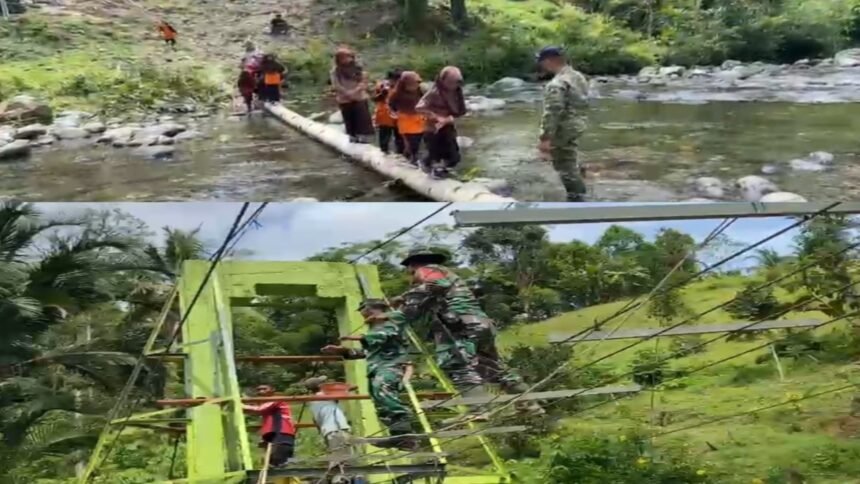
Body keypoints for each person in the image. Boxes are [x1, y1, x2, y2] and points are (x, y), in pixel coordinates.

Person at [398, 247, 544, 419]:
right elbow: (419, 309)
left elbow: (436, 285)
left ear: (412, 265)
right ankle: (530, 405)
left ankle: (478, 410)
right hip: (480, 324)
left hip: (460, 326)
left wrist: (407, 299)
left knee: (457, 364)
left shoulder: (427, 270)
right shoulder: (450, 276)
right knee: (492, 367)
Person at [321, 299, 420, 450]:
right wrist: (344, 351)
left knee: (385, 392)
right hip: (377, 368)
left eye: (364, 311)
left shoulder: (391, 322)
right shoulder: (374, 329)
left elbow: (383, 336)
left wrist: (355, 338)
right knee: (379, 399)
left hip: (391, 366)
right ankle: (397, 436)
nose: (363, 315)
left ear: (371, 310)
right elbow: (367, 352)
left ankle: (405, 434)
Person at [536, 46, 590, 202]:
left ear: (549, 61)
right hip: (578, 124)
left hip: (563, 128)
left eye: (542, 62)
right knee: (570, 157)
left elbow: (553, 112)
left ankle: (578, 200)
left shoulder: (557, 83)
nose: (541, 65)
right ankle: (580, 176)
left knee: (565, 167)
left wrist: (545, 138)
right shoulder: (577, 76)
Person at [416, 66, 467, 178]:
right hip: (432, 128)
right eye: (451, 82)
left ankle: (441, 168)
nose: (454, 86)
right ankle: (429, 167)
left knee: (454, 157)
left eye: (456, 83)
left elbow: (461, 112)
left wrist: (448, 119)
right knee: (435, 154)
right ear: (443, 81)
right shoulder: (434, 92)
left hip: (448, 127)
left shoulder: (457, 92)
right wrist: (436, 117)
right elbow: (419, 107)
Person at [243, 384, 297, 468]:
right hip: (275, 434)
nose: (261, 391)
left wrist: (238, 404)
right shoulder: (268, 404)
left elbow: (258, 409)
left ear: (272, 390)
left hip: (282, 432)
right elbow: (254, 410)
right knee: (273, 461)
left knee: (279, 459)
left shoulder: (276, 399)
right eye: (259, 390)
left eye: (264, 389)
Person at [330, 47, 374, 144]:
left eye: (349, 57)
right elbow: (336, 84)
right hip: (344, 98)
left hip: (359, 97)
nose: (347, 60)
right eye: (344, 58)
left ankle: (363, 138)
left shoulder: (358, 68)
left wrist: (355, 91)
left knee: (362, 118)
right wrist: (346, 93)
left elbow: (364, 81)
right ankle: (352, 137)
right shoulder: (335, 71)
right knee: (349, 118)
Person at [388, 71, 426, 165]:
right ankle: (413, 157)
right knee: (411, 140)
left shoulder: (420, 90)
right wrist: (394, 112)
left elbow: (426, 101)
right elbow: (391, 104)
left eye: (416, 84)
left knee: (418, 139)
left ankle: (410, 155)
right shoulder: (397, 93)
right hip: (405, 119)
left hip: (418, 118)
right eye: (412, 84)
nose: (414, 86)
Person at [373, 70, 403, 155]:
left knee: (400, 136)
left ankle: (401, 153)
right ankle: (384, 152)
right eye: (395, 80)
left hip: (398, 115)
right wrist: (382, 94)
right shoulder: (382, 86)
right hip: (384, 115)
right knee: (384, 135)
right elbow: (375, 99)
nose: (396, 82)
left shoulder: (403, 87)